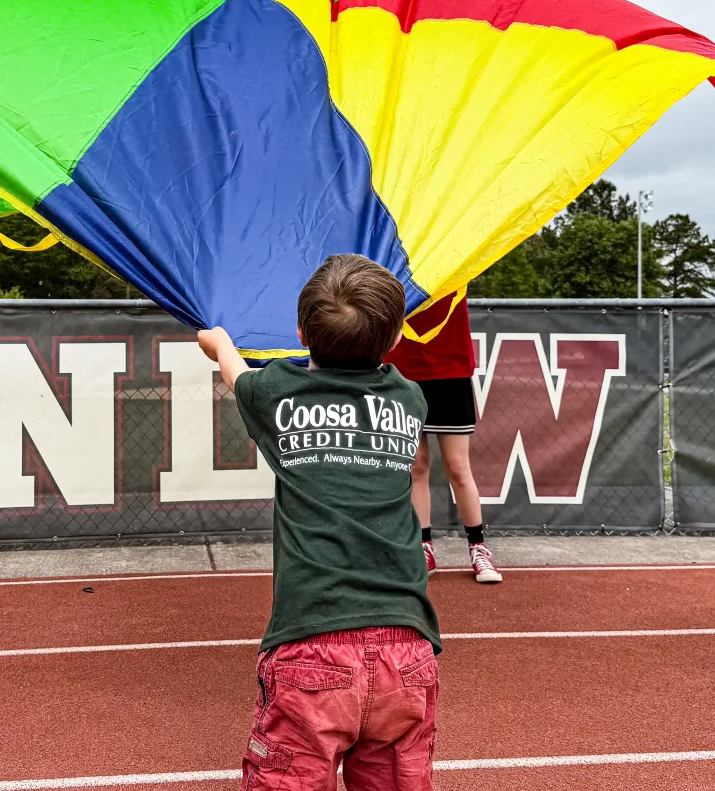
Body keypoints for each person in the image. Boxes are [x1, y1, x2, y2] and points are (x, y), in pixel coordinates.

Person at [198, 254, 440, 790]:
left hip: (313, 642)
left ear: (302, 333)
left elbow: (235, 371)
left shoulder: (275, 394)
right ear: (396, 340)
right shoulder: (409, 399)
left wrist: (219, 342)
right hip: (408, 647)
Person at [385, 292, 502, 583]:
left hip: (450, 367)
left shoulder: (452, 254)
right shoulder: (395, 257)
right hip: (403, 368)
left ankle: (478, 547)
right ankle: (423, 547)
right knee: (416, 466)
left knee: (457, 466)